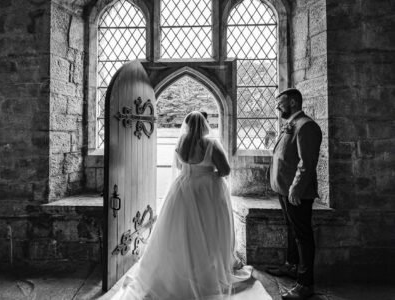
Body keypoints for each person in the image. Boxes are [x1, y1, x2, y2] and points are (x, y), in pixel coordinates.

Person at [112, 111, 252, 300]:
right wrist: (208, 175)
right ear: (204, 125)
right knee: (210, 229)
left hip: (183, 190)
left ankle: (181, 270)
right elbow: (225, 170)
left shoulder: (181, 143)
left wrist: (194, 172)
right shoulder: (211, 144)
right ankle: (207, 270)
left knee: (182, 231)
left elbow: (180, 167)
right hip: (208, 192)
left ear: (186, 125)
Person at [267, 88, 322, 300]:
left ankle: (305, 284)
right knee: (291, 229)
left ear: (292, 102)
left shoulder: (306, 126)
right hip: (284, 189)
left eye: (280, 103)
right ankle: (291, 265)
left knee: (302, 236)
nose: (277, 107)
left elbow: (307, 162)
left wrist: (295, 188)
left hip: (296, 192)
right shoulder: (292, 124)